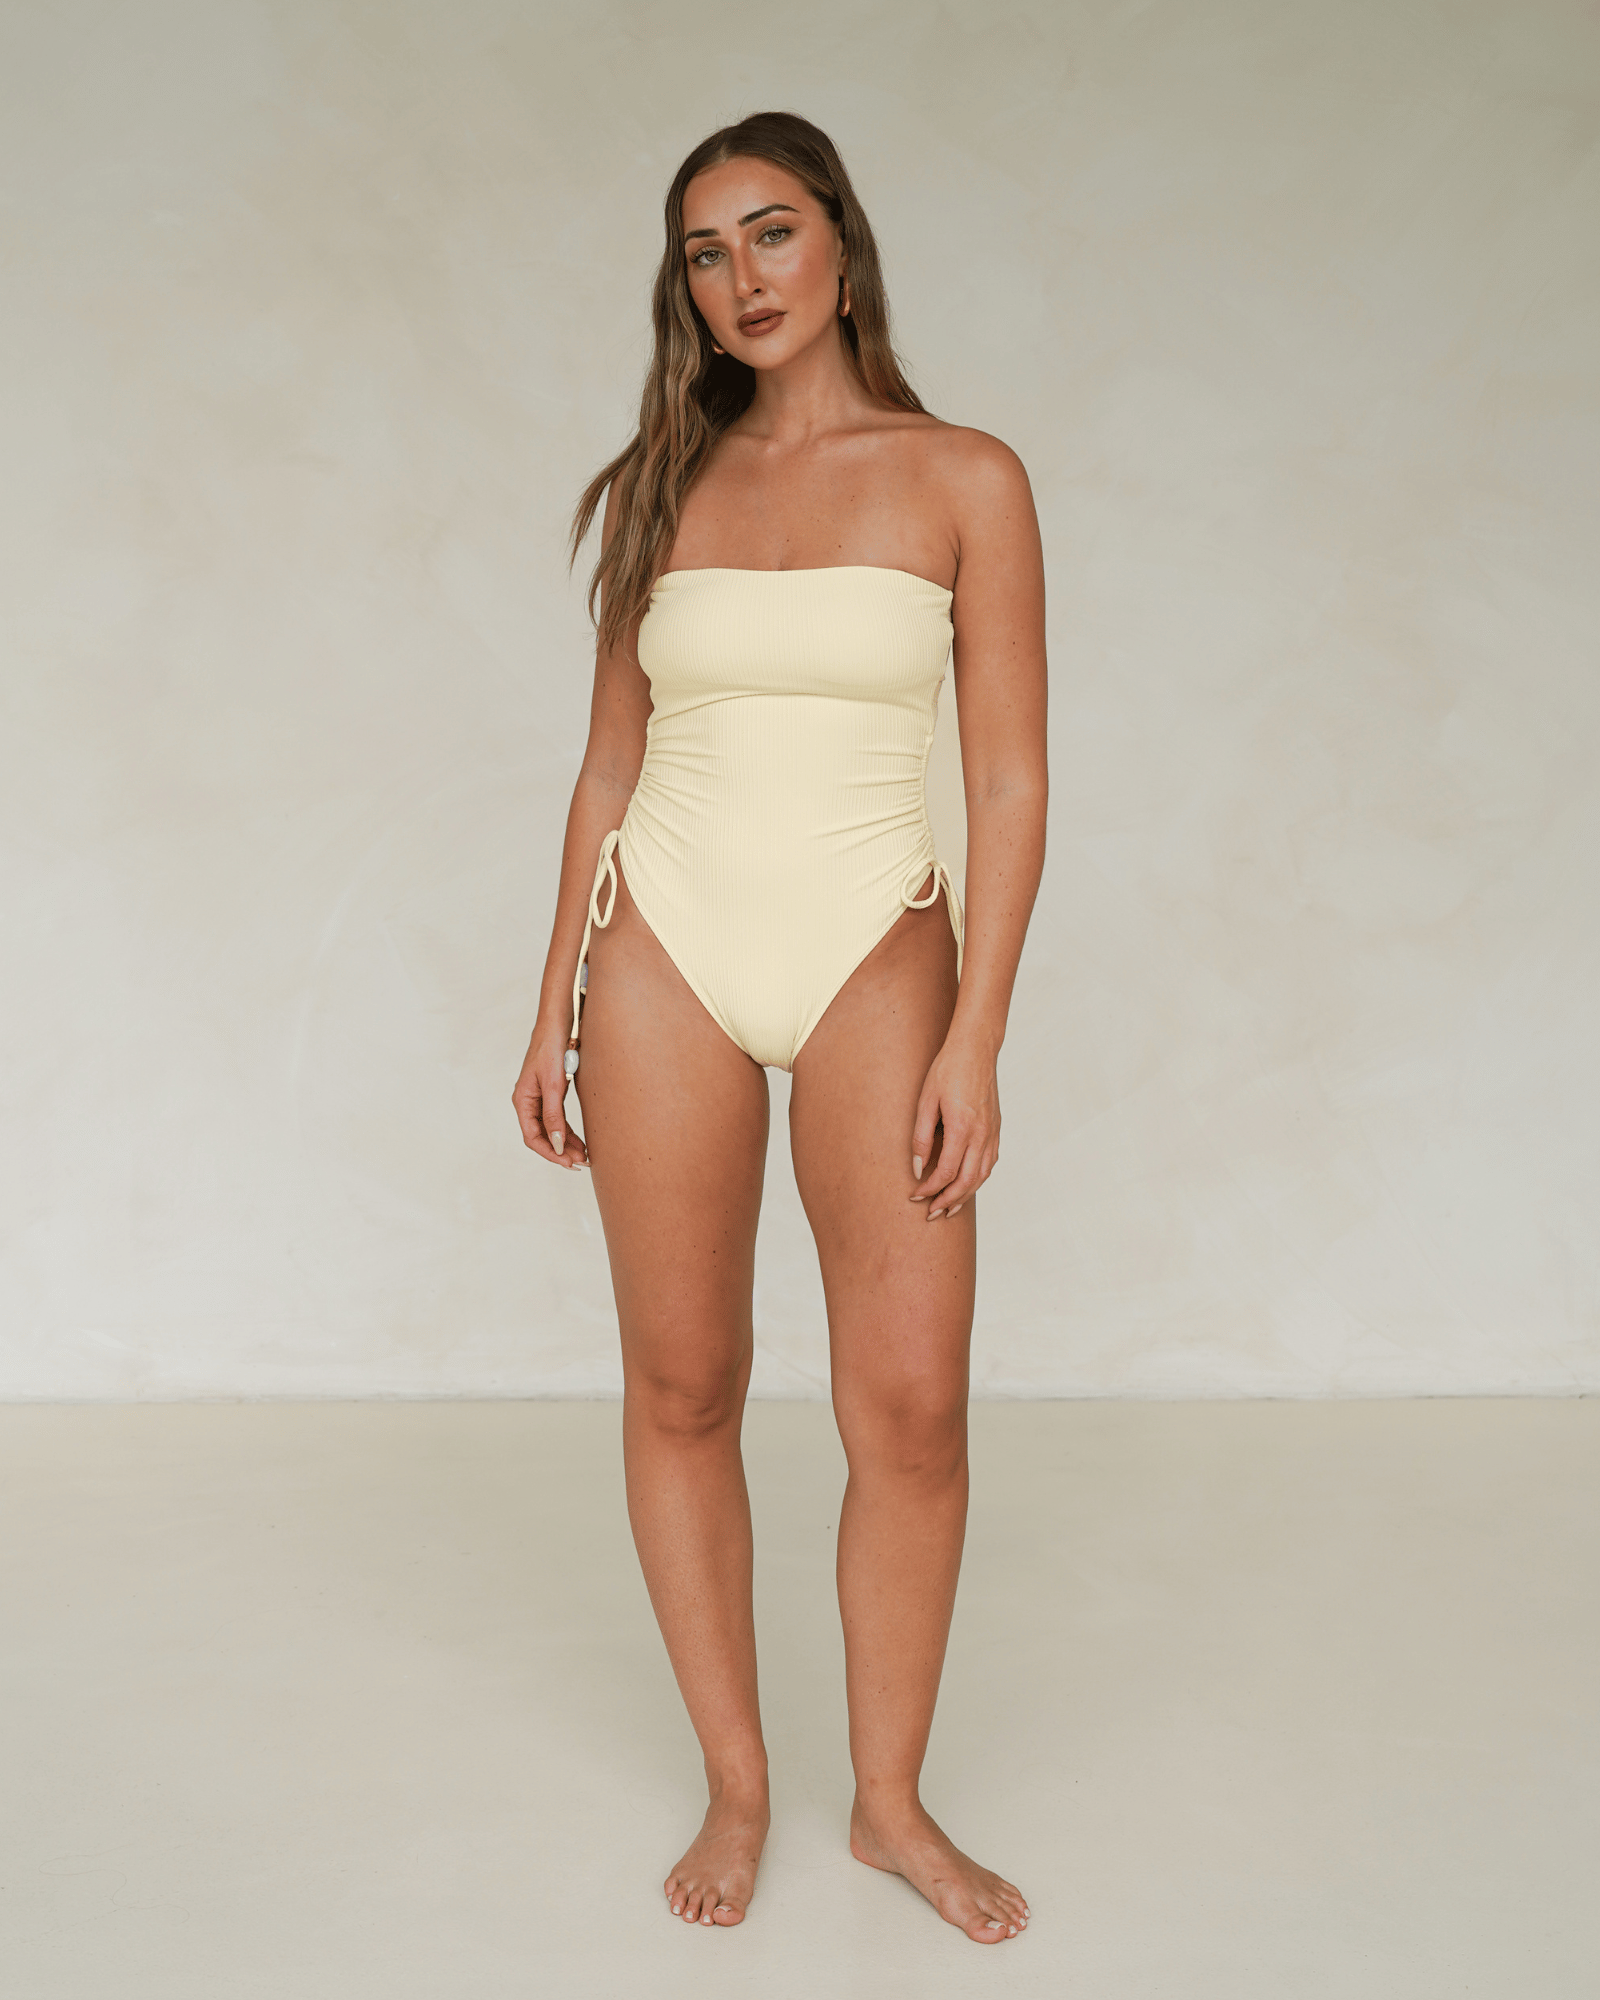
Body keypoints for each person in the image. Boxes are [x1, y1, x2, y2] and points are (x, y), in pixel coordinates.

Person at [512, 110, 1047, 1944]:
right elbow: (608, 766)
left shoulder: (963, 476)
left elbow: (1011, 779)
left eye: (770, 233)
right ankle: (739, 1782)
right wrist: (551, 999)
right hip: (662, 941)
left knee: (911, 1405)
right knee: (684, 1385)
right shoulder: (659, 487)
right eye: (703, 252)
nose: (739, 278)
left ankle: (889, 1805)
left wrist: (977, 1035)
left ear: (840, 243)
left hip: (874, 947)